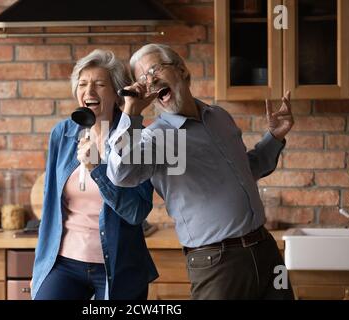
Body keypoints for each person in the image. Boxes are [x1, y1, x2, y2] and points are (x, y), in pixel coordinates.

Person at [106, 43, 295, 300]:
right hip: (216, 263)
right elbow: (120, 173)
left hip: (264, 249)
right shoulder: (156, 138)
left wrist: (274, 137)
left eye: (154, 69)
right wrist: (131, 111)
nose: (150, 81)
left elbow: (247, 170)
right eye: (142, 79)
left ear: (182, 70)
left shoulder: (219, 117)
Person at [31, 49, 158, 300]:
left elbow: (136, 212)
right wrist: (41, 265)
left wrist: (97, 169)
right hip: (64, 264)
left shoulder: (137, 137)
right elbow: (50, 204)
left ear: (117, 93)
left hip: (118, 267)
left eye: (99, 85)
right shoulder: (62, 133)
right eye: (82, 84)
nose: (89, 92)